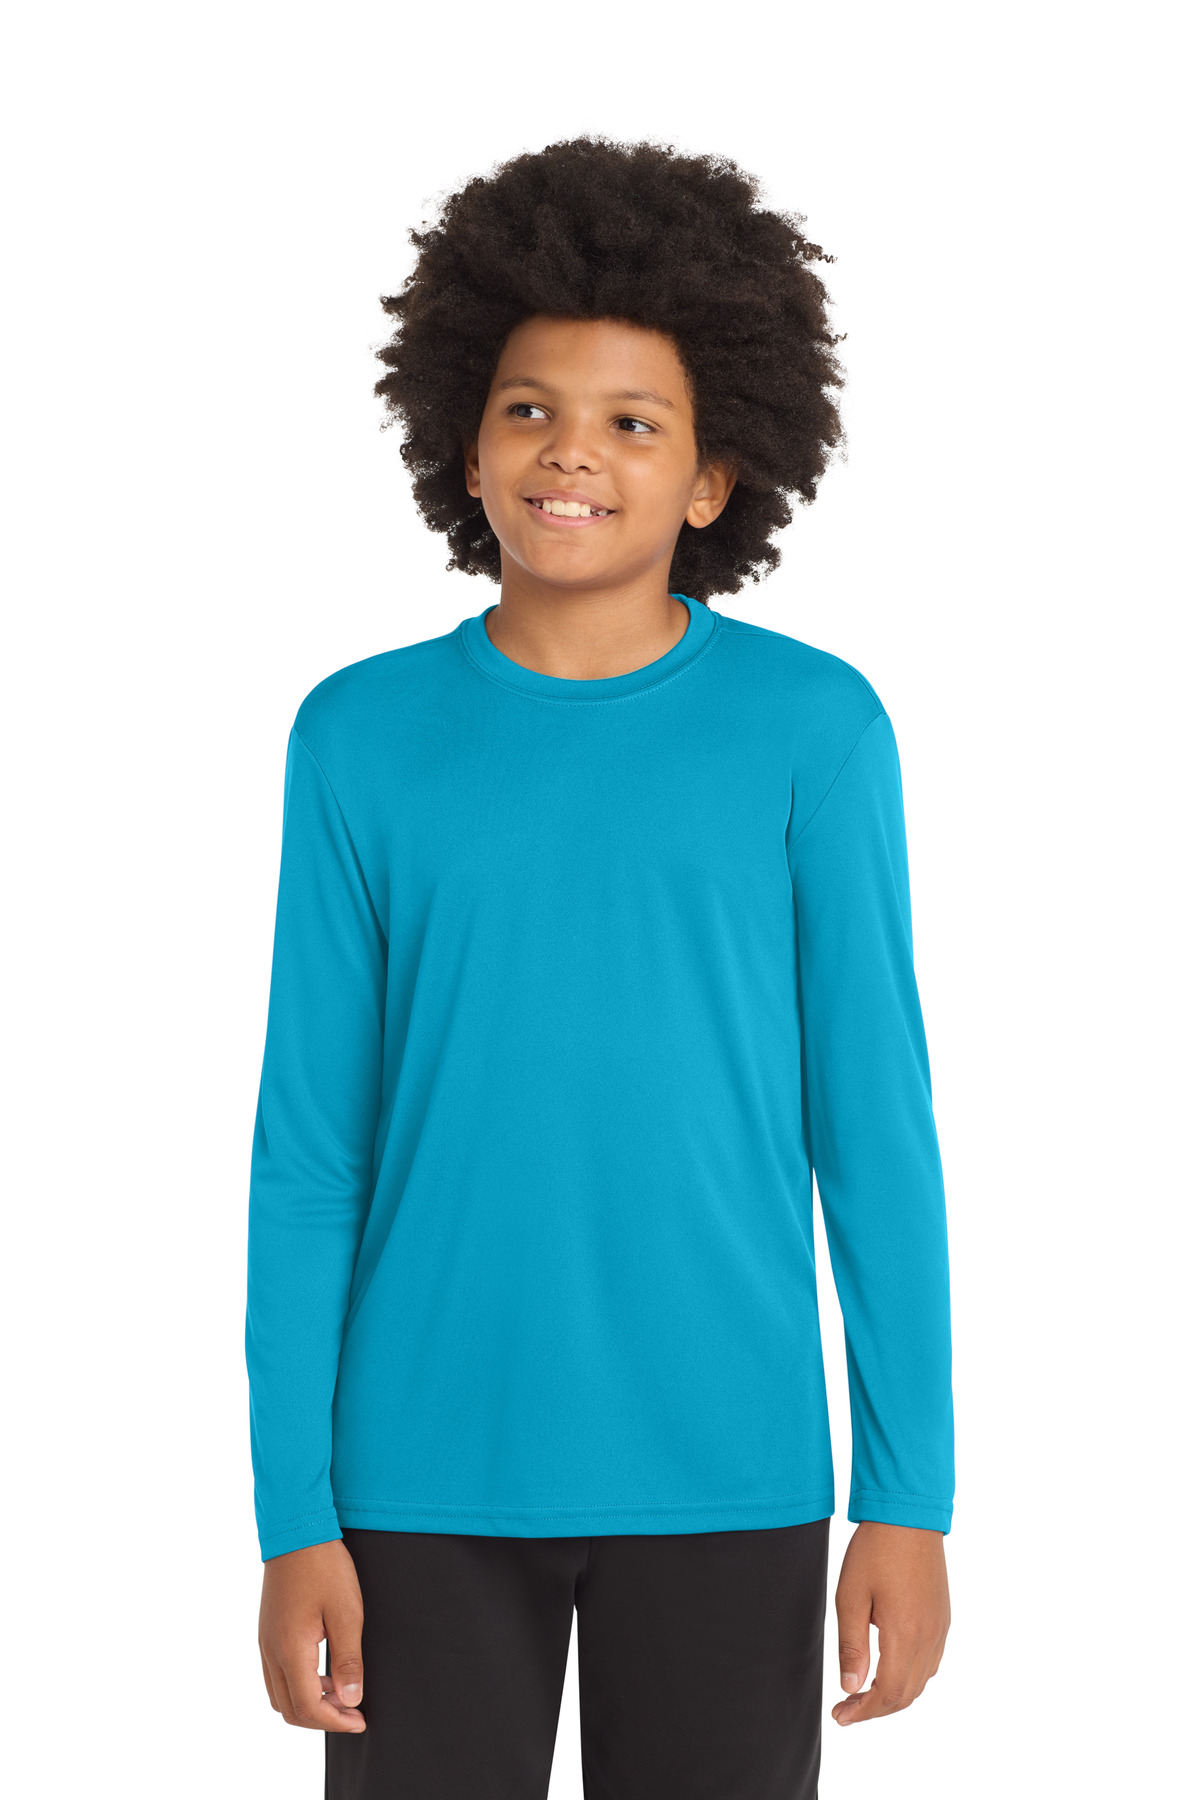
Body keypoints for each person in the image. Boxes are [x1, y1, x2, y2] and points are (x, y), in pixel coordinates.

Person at [247, 136, 953, 1800]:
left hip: (729, 1470)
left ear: (714, 478)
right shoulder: (358, 737)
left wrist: (908, 1497)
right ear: (465, 445)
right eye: (529, 409)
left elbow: (875, 1135)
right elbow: (311, 1153)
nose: (571, 451)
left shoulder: (815, 729)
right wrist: (293, 1513)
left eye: (634, 422)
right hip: (415, 1477)